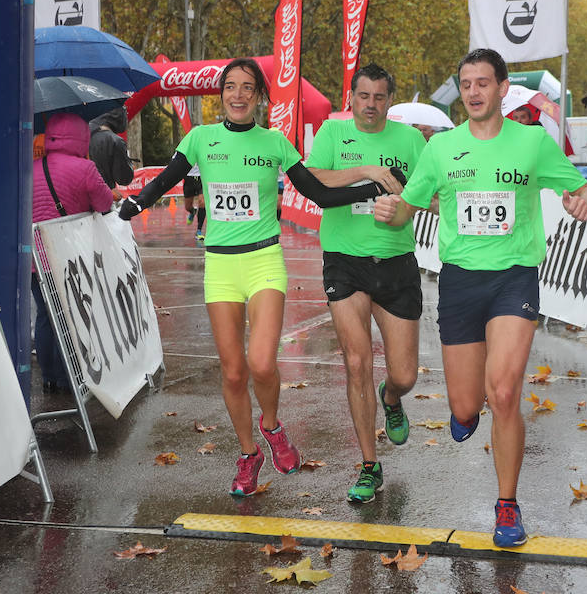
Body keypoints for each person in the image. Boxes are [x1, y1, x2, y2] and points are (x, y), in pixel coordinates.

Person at [118, 58, 398, 497]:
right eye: (231, 87)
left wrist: (373, 186)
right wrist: (136, 203)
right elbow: (166, 180)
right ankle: (249, 454)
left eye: (248, 88)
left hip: (264, 259)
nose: (238, 95)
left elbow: (319, 193)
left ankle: (271, 426)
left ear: (259, 97)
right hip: (221, 266)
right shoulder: (200, 139)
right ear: (222, 94)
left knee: (263, 362)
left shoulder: (275, 144)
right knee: (232, 373)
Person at [374, 48, 587, 547]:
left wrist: (585, 198)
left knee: (504, 392)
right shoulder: (441, 148)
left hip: (513, 278)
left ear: (501, 89)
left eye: (482, 83)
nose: (474, 92)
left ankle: (507, 505)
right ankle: (464, 413)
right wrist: (390, 210)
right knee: (467, 403)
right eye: (466, 84)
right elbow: (409, 206)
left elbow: (583, 189)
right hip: (459, 282)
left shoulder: (532, 142)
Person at [305, 64, 427, 504]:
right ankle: (369, 467)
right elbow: (312, 179)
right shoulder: (332, 135)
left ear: (389, 100)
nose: (370, 105)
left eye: (379, 97)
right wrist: (367, 171)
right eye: (363, 96)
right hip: (345, 262)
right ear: (350, 98)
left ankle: (391, 399)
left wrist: (404, 205)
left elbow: (431, 196)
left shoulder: (411, 140)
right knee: (356, 362)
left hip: (395, 263)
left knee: (405, 375)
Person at [32, 113, 113, 393]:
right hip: (69, 258)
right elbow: (105, 204)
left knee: (45, 316)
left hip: (35, 261)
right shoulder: (85, 168)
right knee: (72, 315)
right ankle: (72, 378)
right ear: (82, 137)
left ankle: (49, 377)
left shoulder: (31, 168)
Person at [89, 107, 135, 197]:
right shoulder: (115, 141)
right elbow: (123, 178)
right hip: (103, 198)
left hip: (76, 200)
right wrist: (128, 162)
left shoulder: (80, 134)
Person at [182, 174, 206, 242]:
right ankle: (192, 212)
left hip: (201, 178)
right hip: (189, 179)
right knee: (188, 207)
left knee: (202, 202)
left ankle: (199, 231)